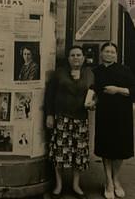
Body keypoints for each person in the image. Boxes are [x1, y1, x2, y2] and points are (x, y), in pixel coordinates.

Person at [45, 46, 95, 199]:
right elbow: (50, 96)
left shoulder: (89, 73)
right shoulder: (59, 73)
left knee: (78, 154)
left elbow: (94, 94)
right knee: (60, 152)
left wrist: (93, 103)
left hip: (80, 119)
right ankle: (59, 185)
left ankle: (76, 185)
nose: (76, 58)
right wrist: (50, 115)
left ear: (83, 58)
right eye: (72, 55)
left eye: (79, 55)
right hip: (62, 118)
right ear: (68, 58)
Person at [93, 42, 135, 199]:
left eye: (112, 52)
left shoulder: (125, 70)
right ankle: (108, 181)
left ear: (116, 55)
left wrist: (117, 90)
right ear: (101, 53)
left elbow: (133, 89)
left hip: (122, 114)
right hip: (104, 113)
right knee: (106, 147)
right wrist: (92, 102)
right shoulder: (96, 71)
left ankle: (116, 179)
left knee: (120, 147)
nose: (109, 54)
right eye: (107, 51)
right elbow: (93, 90)